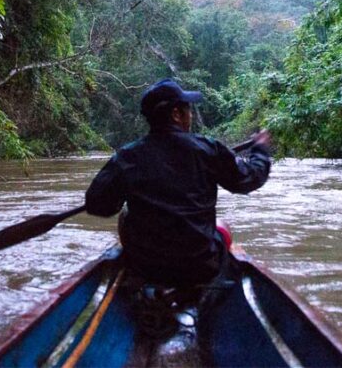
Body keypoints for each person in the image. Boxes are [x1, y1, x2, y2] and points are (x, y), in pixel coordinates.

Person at [85, 78, 272, 287]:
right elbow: (250, 178)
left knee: (125, 215)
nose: (190, 115)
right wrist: (261, 150)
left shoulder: (128, 156)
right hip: (202, 266)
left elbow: (97, 204)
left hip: (145, 267)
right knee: (222, 227)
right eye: (188, 110)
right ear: (176, 114)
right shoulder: (207, 149)